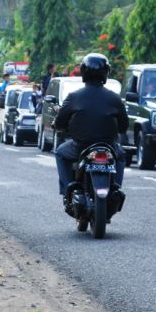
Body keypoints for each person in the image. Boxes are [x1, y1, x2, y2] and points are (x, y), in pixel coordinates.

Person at [53, 53, 128, 211]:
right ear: (106, 73)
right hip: (110, 147)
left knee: (60, 153)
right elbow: (123, 126)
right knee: (121, 156)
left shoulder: (74, 97)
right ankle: (116, 187)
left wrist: (60, 125)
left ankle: (68, 190)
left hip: (80, 147)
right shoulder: (114, 98)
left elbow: (60, 122)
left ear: (83, 72)